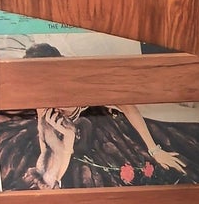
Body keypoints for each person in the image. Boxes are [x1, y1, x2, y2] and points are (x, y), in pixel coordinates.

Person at [19, 43, 189, 189]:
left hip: (101, 129)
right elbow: (47, 149)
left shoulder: (86, 82)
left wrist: (154, 150)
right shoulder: (42, 101)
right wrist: (55, 160)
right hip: (68, 140)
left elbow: (128, 107)